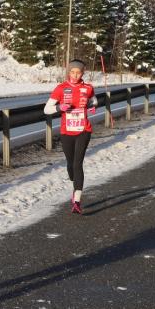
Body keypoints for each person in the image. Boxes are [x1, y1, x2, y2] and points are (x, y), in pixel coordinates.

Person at [44, 59, 98, 214]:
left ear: (83, 73)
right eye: (72, 72)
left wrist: (92, 106)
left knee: (77, 163)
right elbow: (46, 109)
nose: (75, 75)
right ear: (69, 72)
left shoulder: (87, 88)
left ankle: (77, 200)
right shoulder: (61, 88)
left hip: (83, 130)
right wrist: (60, 107)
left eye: (78, 72)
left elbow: (94, 101)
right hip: (66, 132)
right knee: (70, 163)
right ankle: (75, 186)